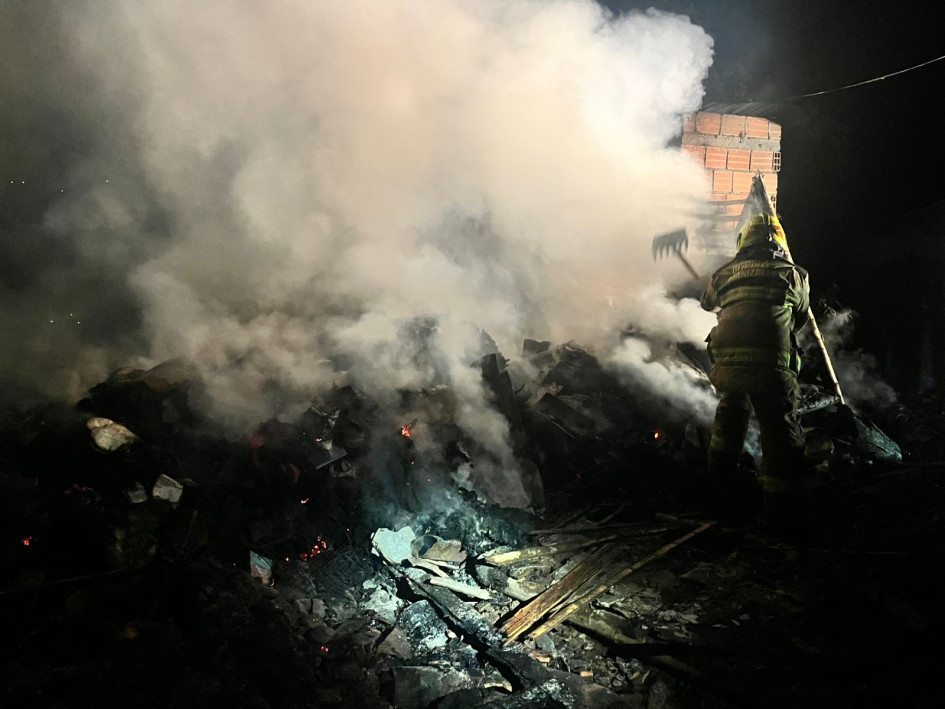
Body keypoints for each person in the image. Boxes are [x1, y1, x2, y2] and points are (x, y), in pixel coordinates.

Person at [700, 213, 811, 528]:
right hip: (771, 370)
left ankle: (719, 498)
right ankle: (783, 514)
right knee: (779, 434)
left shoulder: (723, 273)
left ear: (743, 241)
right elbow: (799, 318)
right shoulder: (794, 275)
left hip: (728, 368)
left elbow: (708, 304)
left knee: (727, 426)